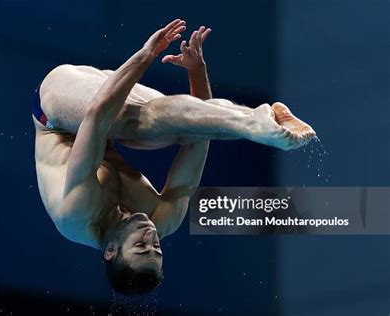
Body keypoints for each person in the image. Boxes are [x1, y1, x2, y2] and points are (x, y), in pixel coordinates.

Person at [32, 19, 315, 294]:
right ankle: (259, 122)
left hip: (56, 108)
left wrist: (145, 55)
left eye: (140, 247)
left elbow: (96, 116)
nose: (151, 238)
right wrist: (197, 72)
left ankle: (254, 124)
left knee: (135, 124)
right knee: (169, 131)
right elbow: (199, 140)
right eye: (157, 248)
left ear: (110, 250)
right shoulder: (162, 219)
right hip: (105, 108)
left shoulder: (78, 215)